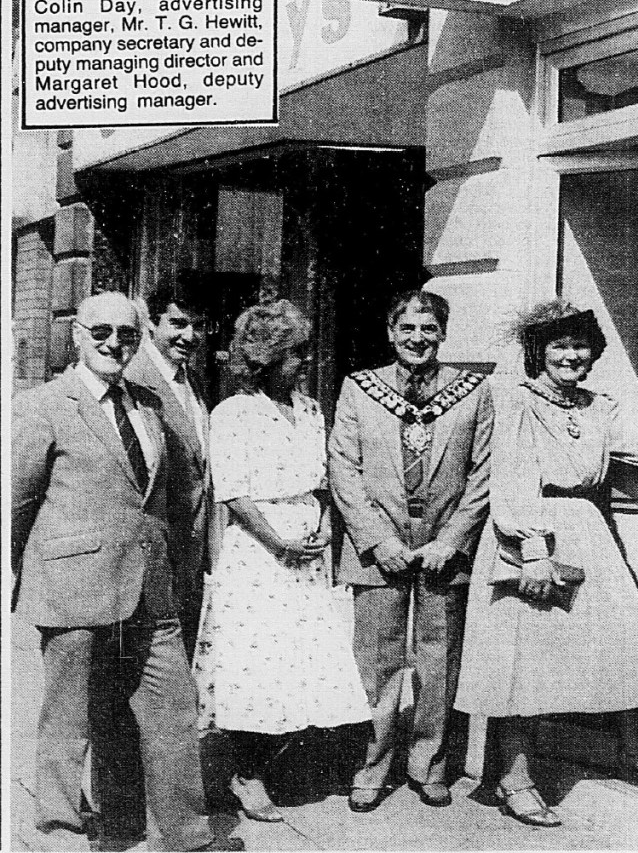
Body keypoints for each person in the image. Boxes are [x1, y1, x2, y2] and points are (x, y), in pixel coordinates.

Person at [11, 292, 238, 852]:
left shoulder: (147, 403)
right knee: (71, 721)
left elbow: (165, 494)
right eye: (102, 332)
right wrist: (35, 571)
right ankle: (60, 831)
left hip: (150, 589)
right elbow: (14, 501)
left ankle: (186, 837)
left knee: (173, 713)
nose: (114, 343)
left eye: (127, 334)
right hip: (73, 589)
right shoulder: (43, 404)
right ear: (77, 336)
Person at [455, 301, 638, 827]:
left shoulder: (599, 405)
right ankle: (513, 778)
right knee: (522, 659)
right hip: (530, 531)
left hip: (589, 529)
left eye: (580, 345)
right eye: (559, 345)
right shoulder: (513, 400)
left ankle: (636, 751)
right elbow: (509, 478)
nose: (571, 355)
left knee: (632, 632)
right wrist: (534, 552)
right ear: (539, 352)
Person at [194, 299, 371, 822]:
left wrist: (320, 527)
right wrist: (278, 541)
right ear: (266, 358)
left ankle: (276, 762)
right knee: (257, 666)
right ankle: (245, 773)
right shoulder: (234, 412)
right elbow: (233, 493)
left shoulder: (313, 410)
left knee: (302, 662)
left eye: (304, 352)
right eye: (294, 354)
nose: (304, 363)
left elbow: (323, 482)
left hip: (308, 553)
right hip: (258, 556)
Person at [328, 289, 493, 812]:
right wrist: (378, 539)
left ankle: (430, 764)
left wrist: (451, 541)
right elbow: (343, 470)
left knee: (437, 659)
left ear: (442, 335)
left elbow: (483, 474)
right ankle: (372, 765)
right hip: (378, 548)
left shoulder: (473, 391)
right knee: (377, 661)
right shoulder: (359, 388)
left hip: (446, 546)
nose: (418, 339)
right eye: (408, 329)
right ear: (391, 333)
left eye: (428, 330)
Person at [126, 278, 215, 660]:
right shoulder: (130, 378)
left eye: (198, 325)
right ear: (152, 324)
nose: (189, 335)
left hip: (189, 552)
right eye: (177, 324)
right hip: (149, 553)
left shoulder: (193, 381)